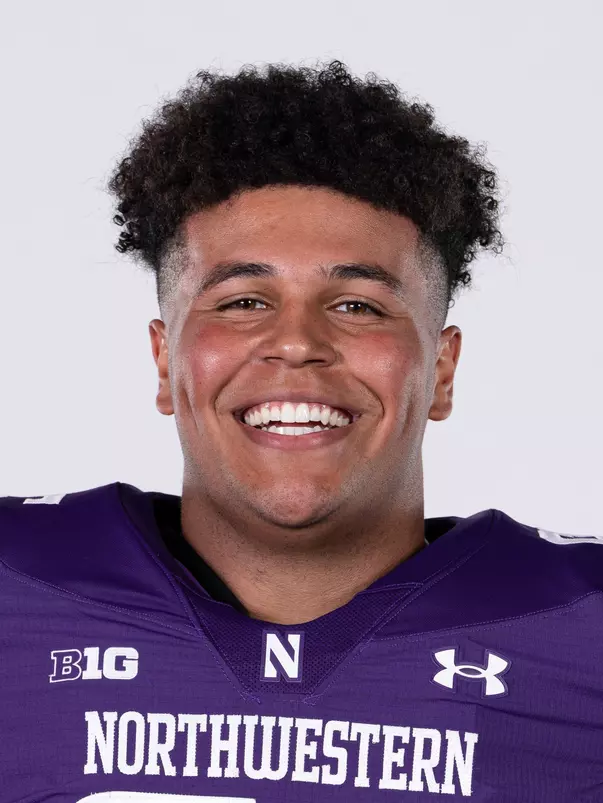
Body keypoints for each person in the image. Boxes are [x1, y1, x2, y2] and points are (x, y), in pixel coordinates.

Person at [1, 60, 601, 801]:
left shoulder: (579, 630)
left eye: (357, 306)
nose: (295, 343)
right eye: (243, 300)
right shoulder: (17, 592)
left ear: (440, 370)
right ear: (165, 359)